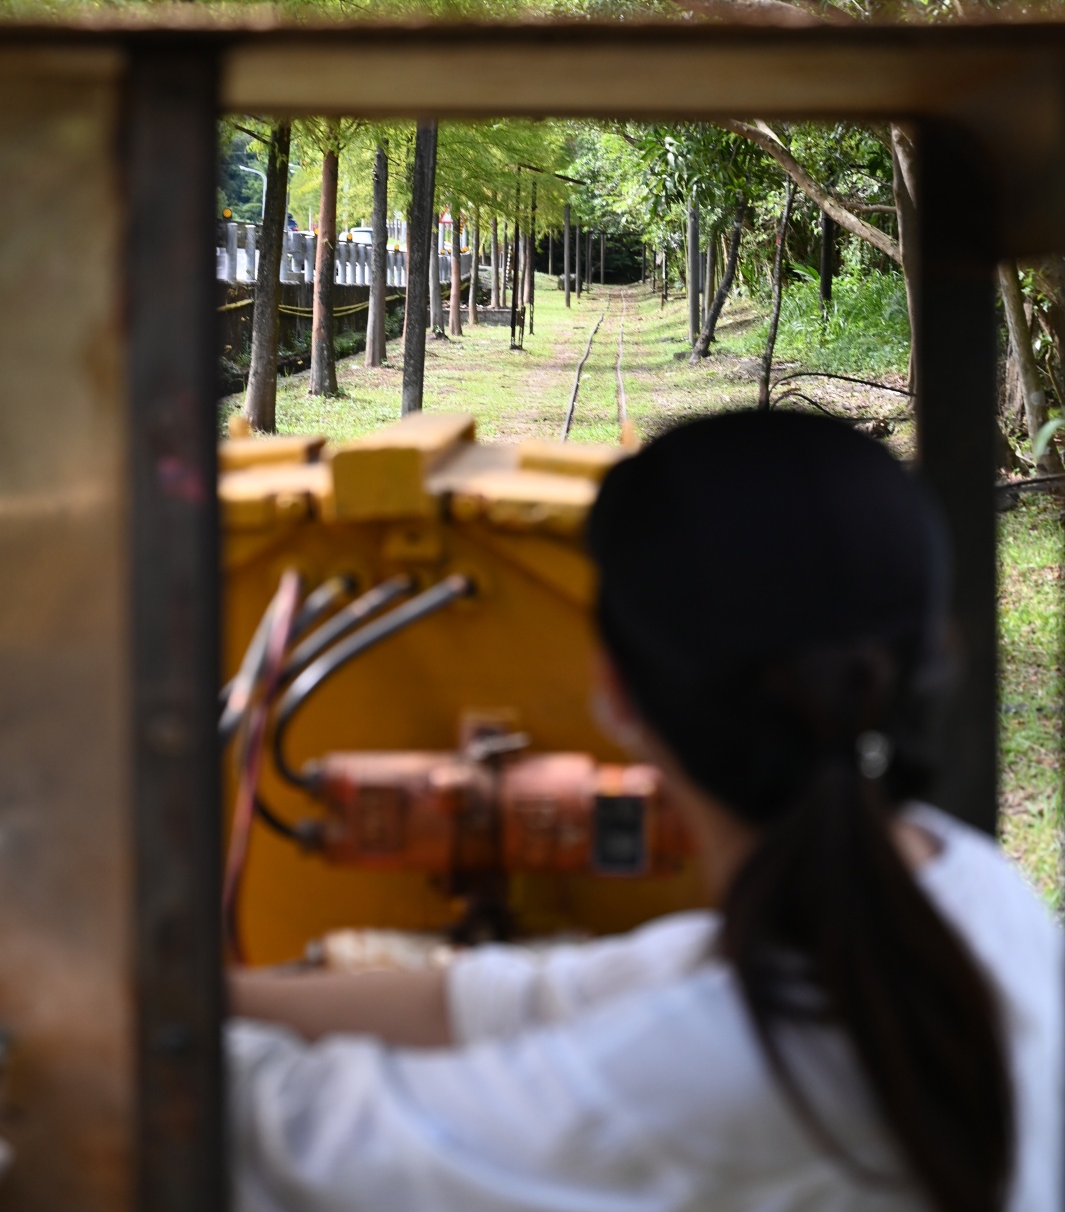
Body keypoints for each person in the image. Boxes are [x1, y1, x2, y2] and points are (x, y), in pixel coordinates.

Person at [228, 412, 1062, 1212]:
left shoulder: (692, 1077)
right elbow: (526, 999)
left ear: (615, 693)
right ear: (933, 659)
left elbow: (290, 1143)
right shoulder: (970, 890)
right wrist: (227, 998)